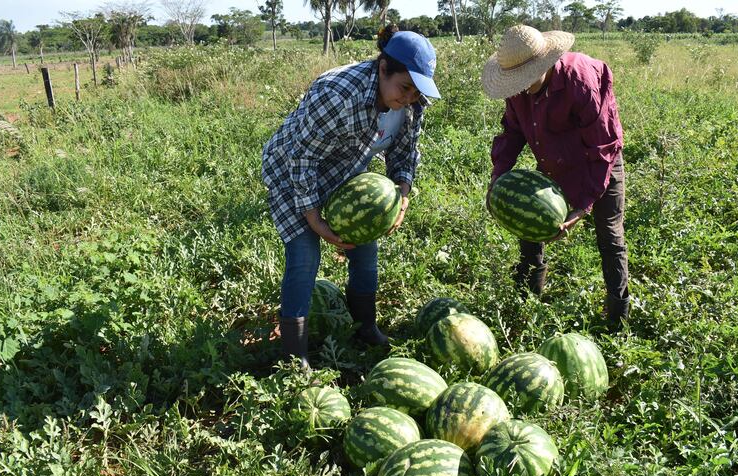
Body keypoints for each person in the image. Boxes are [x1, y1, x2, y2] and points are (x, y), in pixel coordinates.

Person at [262, 26, 441, 367]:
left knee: (365, 250)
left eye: (417, 93)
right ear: (383, 68)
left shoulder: (412, 103)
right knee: (304, 255)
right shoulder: (337, 93)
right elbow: (303, 156)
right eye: (405, 88)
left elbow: (405, 152)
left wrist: (402, 195)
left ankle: (365, 328)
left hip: (345, 168)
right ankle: (293, 357)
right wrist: (315, 219)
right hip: (292, 172)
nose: (409, 99)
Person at [482, 25, 629, 325]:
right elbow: (512, 132)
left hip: (599, 161)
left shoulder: (580, 80)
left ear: (543, 64)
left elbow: (602, 146)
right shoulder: (518, 90)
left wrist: (583, 206)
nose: (520, 88)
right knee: (529, 222)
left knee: (610, 234)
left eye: (524, 79)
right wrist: (498, 178)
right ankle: (528, 291)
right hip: (554, 161)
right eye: (515, 82)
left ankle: (618, 313)